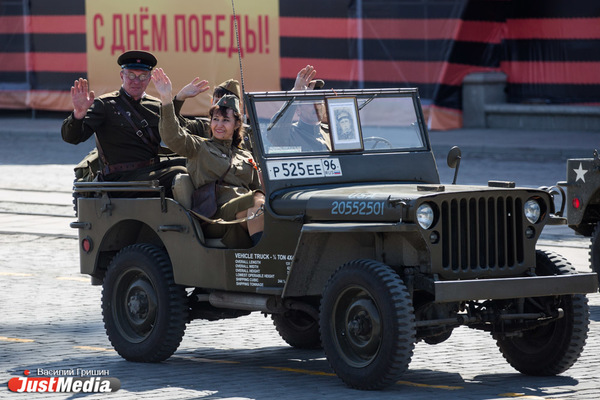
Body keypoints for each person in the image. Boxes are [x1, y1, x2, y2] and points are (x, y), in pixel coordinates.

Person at [152, 68, 264, 248]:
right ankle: (265, 255)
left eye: (226, 120)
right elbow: (172, 136)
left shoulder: (245, 154)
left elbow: (257, 187)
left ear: (236, 124)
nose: (219, 125)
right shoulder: (200, 147)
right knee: (259, 202)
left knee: (270, 207)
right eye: (215, 119)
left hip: (242, 210)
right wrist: (166, 100)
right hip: (215, 213)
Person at [61, 50, 187, 197]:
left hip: (150, 171)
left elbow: (179, 133)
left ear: (149, 79)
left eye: (142, 76)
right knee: (180, 172)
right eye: (131, 75)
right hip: (120, 179)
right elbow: (73, 138)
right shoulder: (105, 105)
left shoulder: (156, 105)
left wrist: (174, 99)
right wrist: (78, 114)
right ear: (122, 76)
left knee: (192, 164)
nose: (136, 81)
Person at [266, 65, 331, 152]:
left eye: (319, 101)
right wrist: (296, 91)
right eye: (310, 102)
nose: (316, 106)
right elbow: (274, 133)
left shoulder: (331, 133)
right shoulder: (290, 134)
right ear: (298, 110)